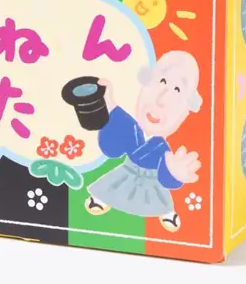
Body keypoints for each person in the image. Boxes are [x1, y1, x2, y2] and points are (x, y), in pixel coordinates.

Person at [84, 50, 203, 232]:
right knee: (110, 186)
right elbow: (113, 146)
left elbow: (165, 176)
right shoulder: (132, 129)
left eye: (177, 89)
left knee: (162, 201)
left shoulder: (161, 147)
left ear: (185, 111)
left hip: (152, 185)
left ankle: (167, 213)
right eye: (162, 81)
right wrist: (109, 104)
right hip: (125, 174)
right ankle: (101, 198)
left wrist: (176, 173)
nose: (161, 99)